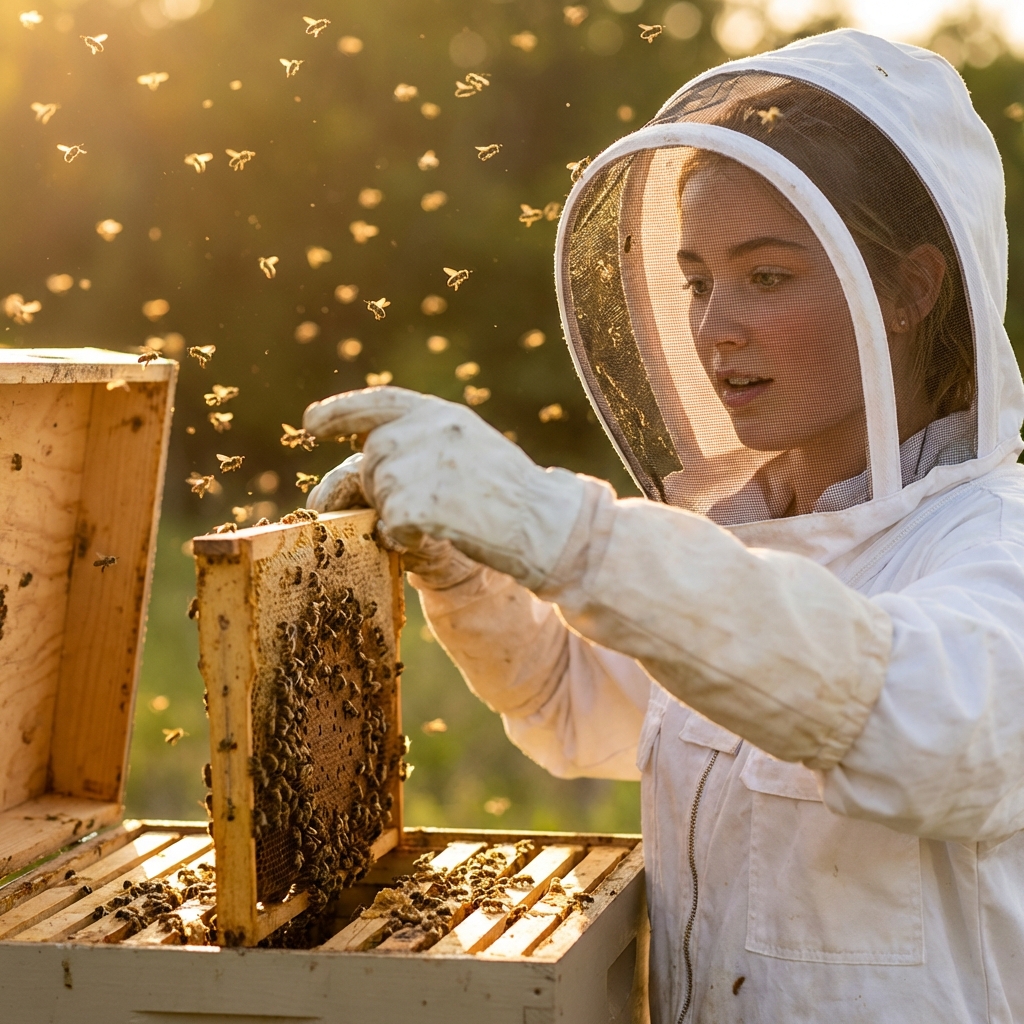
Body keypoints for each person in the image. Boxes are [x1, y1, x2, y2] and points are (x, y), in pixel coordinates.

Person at [304, 29, 1024, 1023]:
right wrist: (467, 576)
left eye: (765, 276)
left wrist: (568, 533)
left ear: (907, 289)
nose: (712, 326)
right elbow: (569, 697)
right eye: (695, 279)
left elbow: (917, 718)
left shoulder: (997, 547)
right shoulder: (739, 544)